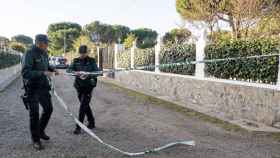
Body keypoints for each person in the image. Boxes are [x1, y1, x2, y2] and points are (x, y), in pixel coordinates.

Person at [21, 34, 59, 150]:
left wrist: (53, 69)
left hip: (43, 87)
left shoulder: (45, 53)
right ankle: (36, 140)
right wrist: (43, 73)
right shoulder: (29, 53)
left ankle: (40, 131)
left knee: (48, 109)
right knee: (34, 115)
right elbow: (25, 73)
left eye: (47, 43)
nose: (47, 45)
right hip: (32, 88)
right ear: (38, 43)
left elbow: (46, 65)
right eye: (45, 43)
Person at [67, 45, 100, 135]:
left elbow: (97, 72)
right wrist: (76, 73)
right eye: (81, 53)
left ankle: (79, 127)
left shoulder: (92, 61)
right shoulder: (75, 61)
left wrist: (88, 74)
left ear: (87, 52)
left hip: (88, 87)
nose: (82, 55)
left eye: (84, 53)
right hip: (78, 86)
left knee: (82, 106)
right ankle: (91, 121)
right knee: (85, 105)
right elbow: (69, 70)